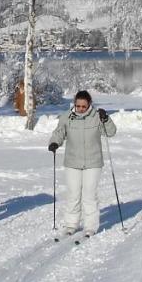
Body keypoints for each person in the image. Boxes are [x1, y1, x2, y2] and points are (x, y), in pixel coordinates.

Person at [47, 89, 117, 237]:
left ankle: (90, 226)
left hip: (93, 162)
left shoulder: (97, 116)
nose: (80, 109)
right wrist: (54, 143)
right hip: (72, 162)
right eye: (78, 106)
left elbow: (110, 132)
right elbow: (59, 132)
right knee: (73, 194)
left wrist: (106, 119)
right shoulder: (67, 117)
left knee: (89, 195)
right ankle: (71, 224)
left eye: (83, 106)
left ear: (89, 105)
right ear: (74, 104)